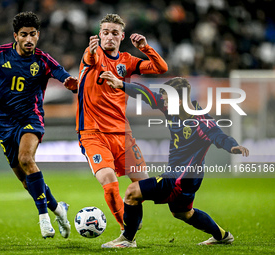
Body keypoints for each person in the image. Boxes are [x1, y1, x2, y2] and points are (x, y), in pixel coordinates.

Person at [99, 73, 249, 248]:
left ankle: (127, 239)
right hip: (190, 178)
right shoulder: (172, 108)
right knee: (183, 213)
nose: (163, 103)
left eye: (166, 100)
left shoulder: (201, 121)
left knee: (132, 192)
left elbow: (218, 136)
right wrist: (121, 84)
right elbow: (145, 94)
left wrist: (233, 146)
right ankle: (222, 236)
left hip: (180, 179)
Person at [0, 11, 78, 239]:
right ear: (15, 35)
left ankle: (44, 219)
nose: (29, 39)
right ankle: (58, 209)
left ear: (39, 35)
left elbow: (61, 73)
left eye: (33, 34)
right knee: (28, 182)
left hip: (31, 118)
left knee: (27, 159)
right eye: (24, 34)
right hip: (4, 124)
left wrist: (69, 82)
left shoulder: (43, 60)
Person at [76, 14, 168, 231]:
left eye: (114, 33)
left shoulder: (127, 61)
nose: (109, 37)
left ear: (122, 36)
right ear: (100, 35)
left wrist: (146, 48)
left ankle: (175, 192)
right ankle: (126, 232)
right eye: (105, 32)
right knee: (109, 182)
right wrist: (90, 50)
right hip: (93, 133)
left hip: (122, 134)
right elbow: (90, 57)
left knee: (143, 186)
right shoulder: (94, 54)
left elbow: (161, 68)